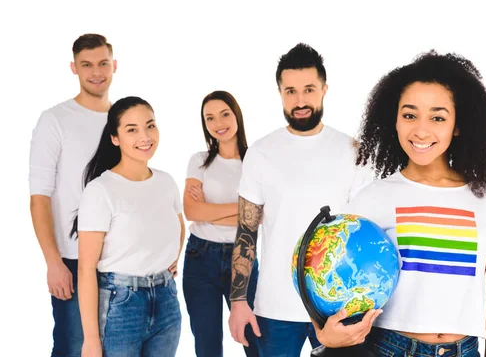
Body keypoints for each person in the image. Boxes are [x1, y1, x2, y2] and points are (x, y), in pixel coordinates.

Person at [315, 51, 486, 357]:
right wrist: (324, 332)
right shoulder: (374, 198)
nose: (421, 130)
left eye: (437, 117)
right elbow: (321, 267)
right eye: (410, 115)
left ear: (458, 125)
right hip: (389, 348)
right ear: (394, 120)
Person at [228, 43, 373, 357]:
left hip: (338, 307)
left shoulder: (352, 150)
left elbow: (366, 232)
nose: (300, 100)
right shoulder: (261, 153)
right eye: (290, 91)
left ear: (324, 89)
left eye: (308, 89)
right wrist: (239, 302)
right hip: (275, 308)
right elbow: (246, 231)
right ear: (279, 92)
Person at [74, 96, 184, 357]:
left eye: (150, 125)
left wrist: (170, 259)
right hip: (121, 306)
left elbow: (179, 227)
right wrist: (90, 340)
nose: (145, 136)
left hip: (166, 300)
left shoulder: (166, 182)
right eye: (131, 130)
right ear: (115, 138)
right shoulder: (101, 190)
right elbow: (86, 268)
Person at [29, 33, 116, 356]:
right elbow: (39, 197)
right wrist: (53, 262)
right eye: (87, 65)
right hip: (73, 257)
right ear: (74, 68)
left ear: (114, 65)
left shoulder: (123, 119)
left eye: (103, 63)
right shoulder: (55, 120)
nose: (96, 72)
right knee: (73, 346)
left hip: (120, 258)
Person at [182, 90, 259, 357]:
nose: (219, 123)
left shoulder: (255, 162)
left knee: (255, 341)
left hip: (244, 257)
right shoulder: (199, 161)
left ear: (236, 115)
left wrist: (210, 211)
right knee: (207, 346)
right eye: (210, 118)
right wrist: (245, 210)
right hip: (200, 256)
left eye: (225, 114)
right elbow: (192, 210)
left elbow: (264, 216)